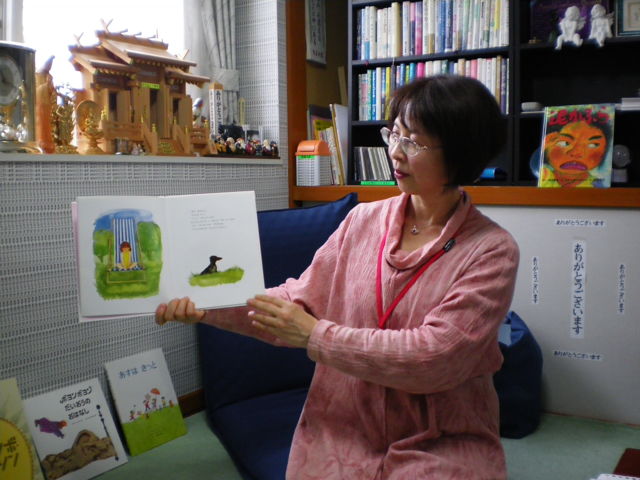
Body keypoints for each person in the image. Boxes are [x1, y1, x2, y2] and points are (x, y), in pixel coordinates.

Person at [156, 74, 519, 479]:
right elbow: (298, 301)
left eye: (413, 142)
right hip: (343, 422)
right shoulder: (362, 220)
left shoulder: (491, 250)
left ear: (461, 153)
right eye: (394, 135)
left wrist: (316, 336)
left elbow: (434, 357)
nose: (395, 153)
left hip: (441, 433)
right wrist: (206, 305)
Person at [539, 115, 612, 188]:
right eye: (564, 143)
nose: (576, 153)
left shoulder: (599, 185)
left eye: (593, 145)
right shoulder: (543, 175)